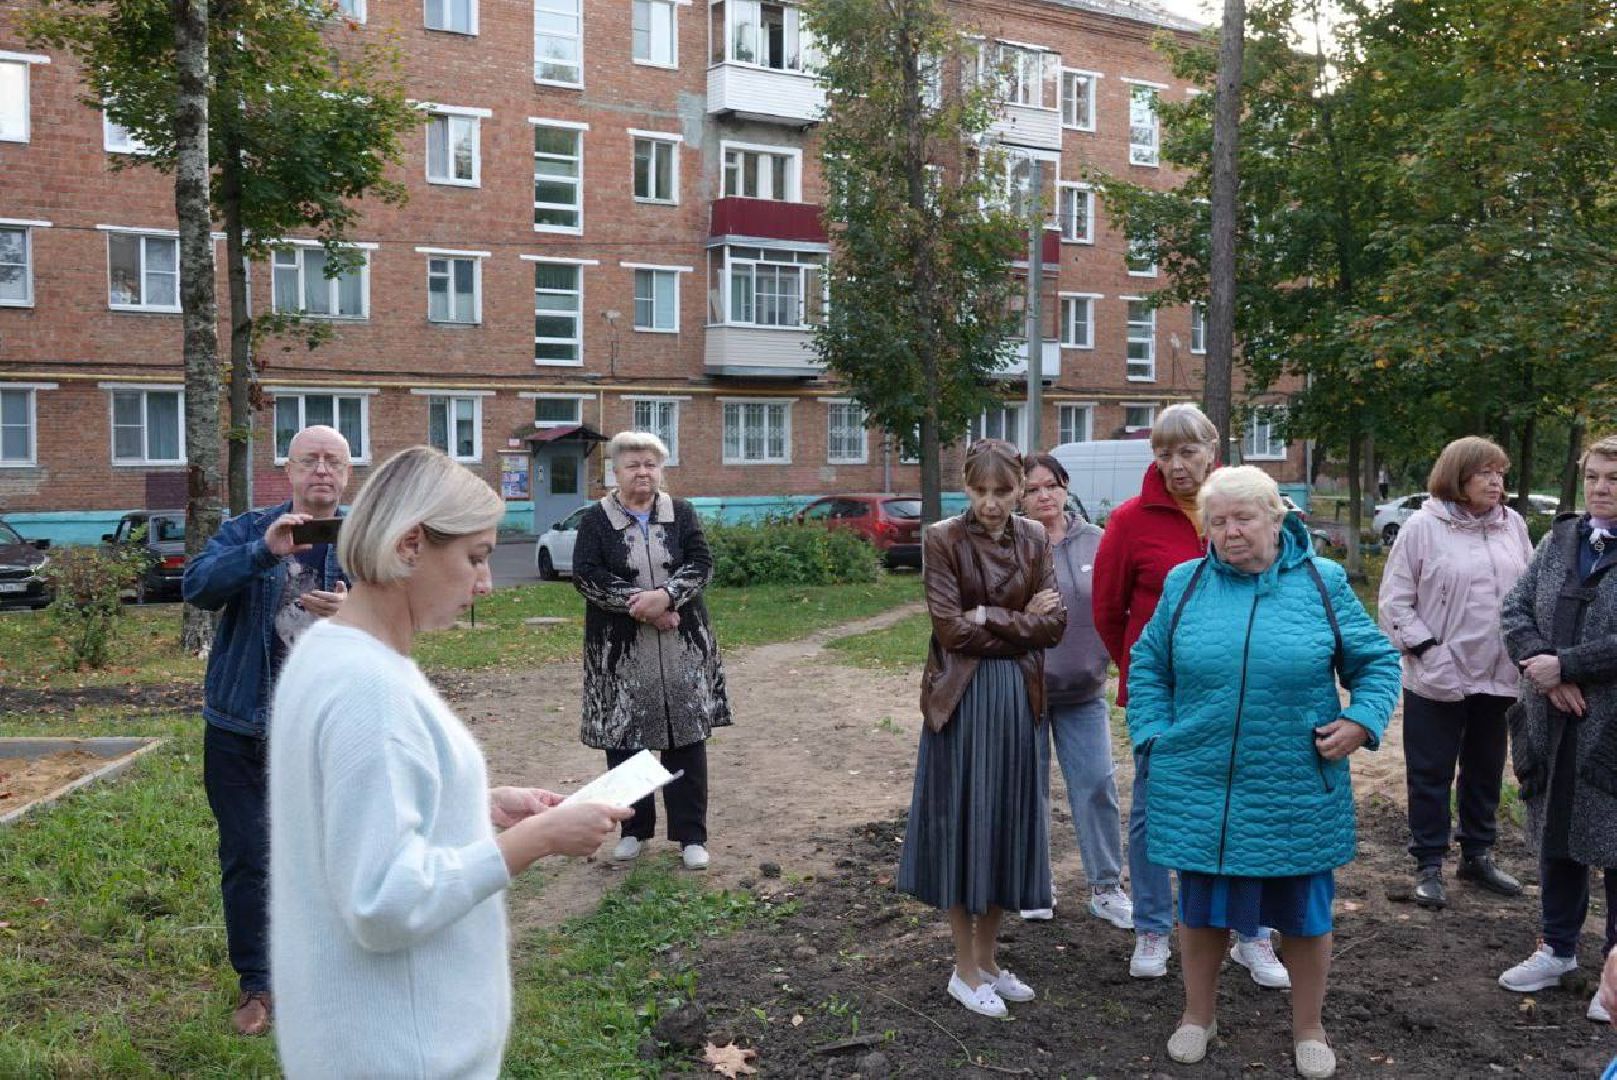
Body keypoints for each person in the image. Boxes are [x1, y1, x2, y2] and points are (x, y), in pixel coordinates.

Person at [268, 446, 629, 1078]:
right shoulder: (369, 691)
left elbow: (350, 812)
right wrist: (534, 841)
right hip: (403, 1051)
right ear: (409, 544)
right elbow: (384, 902)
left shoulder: (328, 651)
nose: (486, 583)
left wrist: (476, 806)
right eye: (475, 558)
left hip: (362, 1037)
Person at [1127, 466, 1400, 1079]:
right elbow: (1148, 664)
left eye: (1243, 518)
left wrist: (1361, 721)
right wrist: (1152, 734)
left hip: (1294, 783)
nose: (1230, 532)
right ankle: (1197, 1016)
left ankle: (1309, 1026)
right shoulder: (1185, 584)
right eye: (1217, 521)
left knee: (1304, 914)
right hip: (1201, 781)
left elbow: (1377, 662)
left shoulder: (1322, 582)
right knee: (1200, 911)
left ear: (1277, 518)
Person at [1092, 403, 1291, 987]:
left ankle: (1249, 933)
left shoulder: (1244, 506)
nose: (1177, 466)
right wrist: (1145, 675)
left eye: (1186, 452)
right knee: (1156, 812)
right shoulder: (1130, 521)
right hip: (1165, 699)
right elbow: (1108, 612)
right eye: (1163, 454)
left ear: (1212, 448)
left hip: (1242, 692)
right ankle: (1154, 925)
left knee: (1244, 805)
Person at [181, 424, 353, 1036]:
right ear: (289, 472)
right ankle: (259, 985)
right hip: (242, 726)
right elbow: (196, 587)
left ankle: (328, 973)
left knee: (336, 853)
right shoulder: (246, 530)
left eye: (334, 461)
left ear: (348, 474)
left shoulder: (364, 538)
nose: (322, 472)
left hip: (331, 728)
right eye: (310, 460)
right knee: (250, 858)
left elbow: (406, 612)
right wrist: (264, 551)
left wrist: (354, 610)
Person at [898, 439, 1066, 1018]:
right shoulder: (943, 538)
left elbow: (1056, 625)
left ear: (1021, 486)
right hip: (963, 701)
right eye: (980, 491)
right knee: (966, 824)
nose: (992, 503)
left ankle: (990, 961)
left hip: (1020, 698)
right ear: (965, 488)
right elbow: (951, 633)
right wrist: (1022, 621)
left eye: (1003, 491)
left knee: (1004, 825)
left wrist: (989, 615)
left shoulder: (1037, 538)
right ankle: (963, 970)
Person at [1378, 436, 1531, 909]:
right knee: (1431, 771)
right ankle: (1428, 863)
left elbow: (1527, 592)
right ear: (1457, 476)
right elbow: (1395, 601)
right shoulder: (1423, 527)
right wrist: (1429, 652)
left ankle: (1477, 855)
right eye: (1485, 472)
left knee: (1485, 768)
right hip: (1438, 673)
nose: (1496, 482)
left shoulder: (1514, 525)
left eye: (1501, 473)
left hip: (1498, 672)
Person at [1497, 434, 1617, 1023]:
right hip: (1550, 719)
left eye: (1614, 480)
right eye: (1594, 476)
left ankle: (1616, 975)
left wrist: (1568, 665)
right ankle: (1557, 949)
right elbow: (1515, 609)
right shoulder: (1560, 538)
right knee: (1558, 838)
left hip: (1610, 730)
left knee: (1615, 848)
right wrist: (1543, 669)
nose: (1600, 488)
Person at [571, 431, 731, 872]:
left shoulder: (681, 513)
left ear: (661, 470)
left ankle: (691, 837)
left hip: (683, 646)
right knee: (626, 742)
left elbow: (702, 563)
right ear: (615, 472)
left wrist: (668, 596)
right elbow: (587, 575)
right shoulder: (596, 519)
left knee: (685, 740)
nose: (642, 472)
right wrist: (644, 606)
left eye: (650, 464)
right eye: (632, 465)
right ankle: (633, 831)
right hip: (619, 652)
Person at [1015, 452, 1133, 930]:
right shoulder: (1014, 544)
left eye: (1052, 485)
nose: (1044, 495)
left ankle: (1106, 886)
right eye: (1032, 488)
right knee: (1028, 790)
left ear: (1065, 487)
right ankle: (1033, 885)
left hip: (1084, 691)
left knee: (1097, 785)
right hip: (1025, 692)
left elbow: (1118, 607)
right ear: (1019, 497)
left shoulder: (1099, 542)